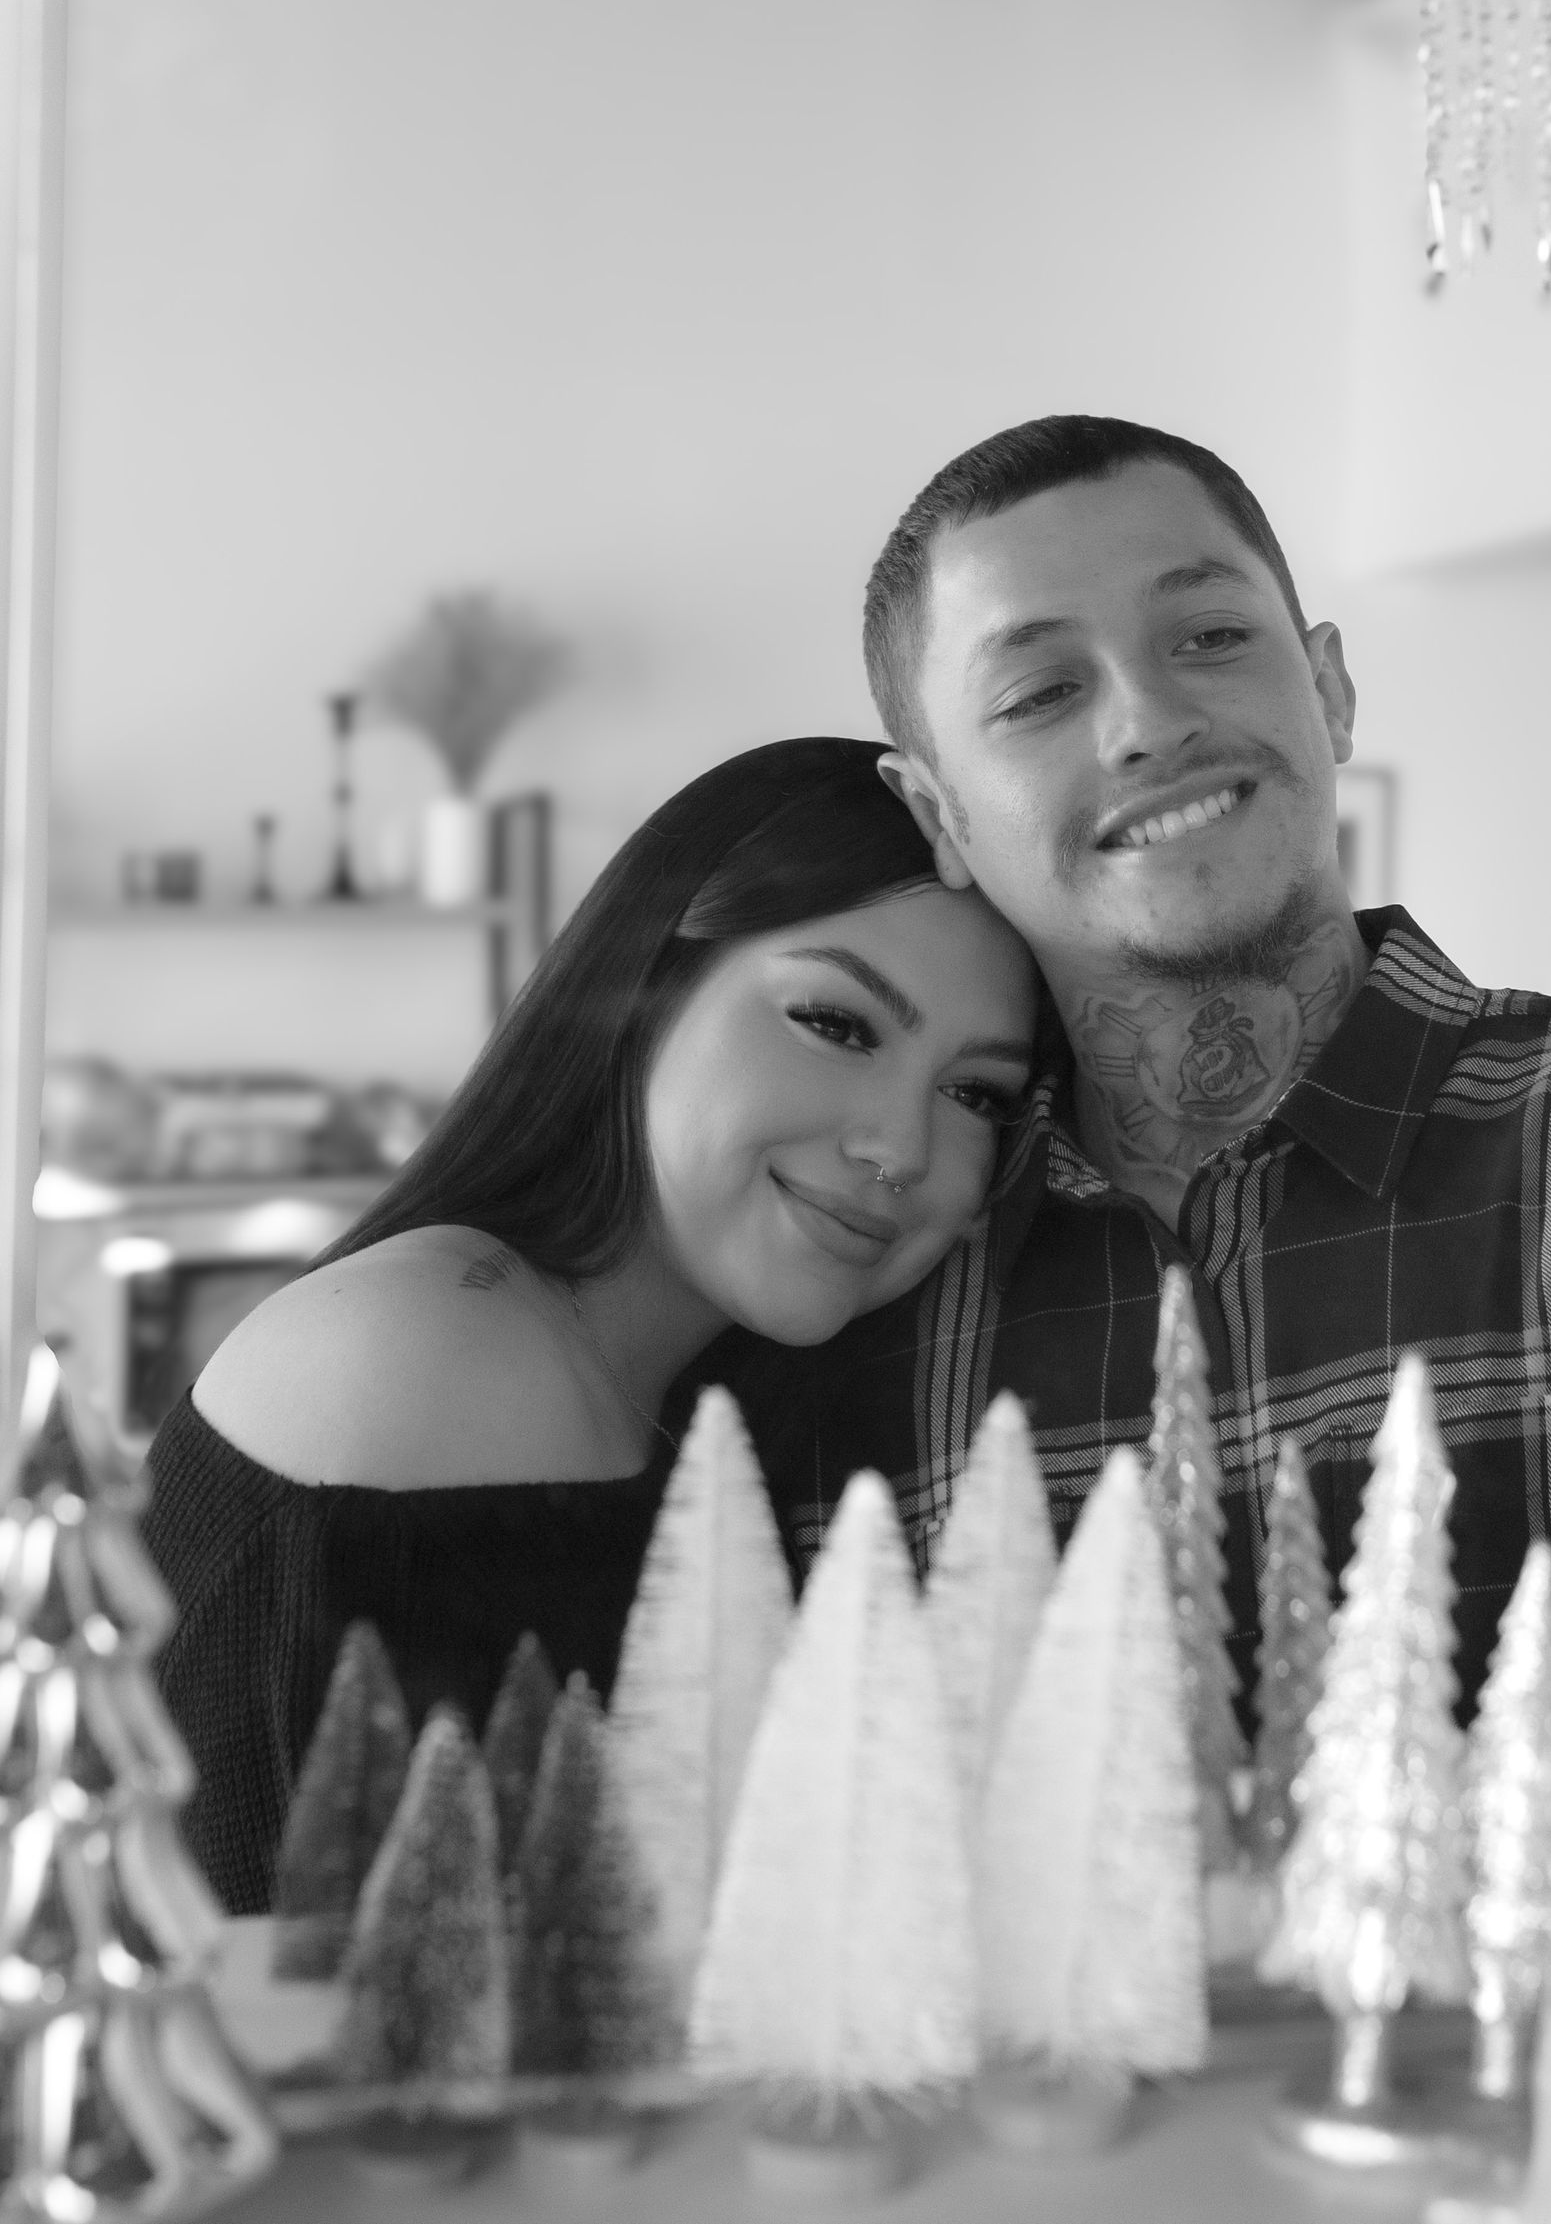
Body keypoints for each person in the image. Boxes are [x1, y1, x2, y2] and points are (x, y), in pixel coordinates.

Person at [708, 416, 1551, 1839]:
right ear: (939, 811)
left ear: (1327, 688)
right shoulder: (873, 1256)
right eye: (1038, 691)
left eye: (1207, 635)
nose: (1147, 720)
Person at [143, 738, 1036, 1911]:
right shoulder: (445, 1345)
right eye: (838, 1021)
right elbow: (473, 2009)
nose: (900, 1147)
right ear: (644, 992)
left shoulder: (664, 1390)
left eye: (975, 1094)